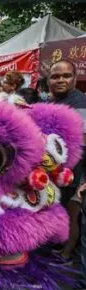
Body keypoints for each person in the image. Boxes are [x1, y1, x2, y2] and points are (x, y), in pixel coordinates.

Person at [49, 59, 86, 274]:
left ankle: (65, 254)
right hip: (55, 172)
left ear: (74, 78)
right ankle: (59, 247)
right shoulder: (53, 102)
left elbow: (82, 142)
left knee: (71, 213)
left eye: (66, 76)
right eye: (55, 76)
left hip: (74, 172)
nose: (60, 80)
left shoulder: (79, 102)